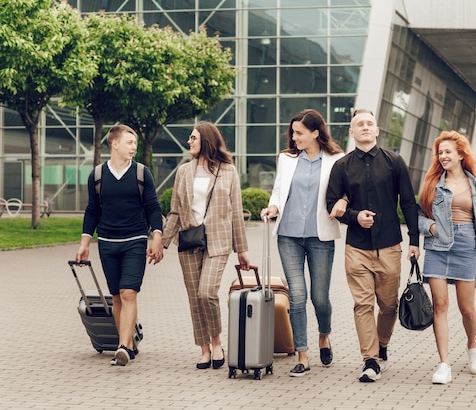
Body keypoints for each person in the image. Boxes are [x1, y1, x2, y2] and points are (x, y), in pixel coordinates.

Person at [326, 108, 419, 383]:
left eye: (370, 123)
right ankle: (370, 360)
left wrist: (415, 240)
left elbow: (409, 202)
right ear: (352, 132)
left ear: (377, 131)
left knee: (388, 305)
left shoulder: (395, 162)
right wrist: (355, 217)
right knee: (362, 305)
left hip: (390, 245)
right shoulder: (341, 166)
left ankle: (383, 345)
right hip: (356, 247)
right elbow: (331, 205)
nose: (365, 127)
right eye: (359, 124)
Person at [260, 109, 346, 377]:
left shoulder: (337, 160)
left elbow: (345, 192)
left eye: (300, 133)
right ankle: (303, 355)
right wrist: (273, 208)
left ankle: (324, 335)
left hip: (321, 236)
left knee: (320, 298)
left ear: (315, 133)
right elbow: (278, 190)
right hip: (288, 235)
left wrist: (344, 203)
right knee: (297, 295)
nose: (294, 137)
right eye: (293, 132)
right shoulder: (286, 159)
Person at [417, 130, 476, 385]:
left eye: (448, 152)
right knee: (440, 305)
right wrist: (429, 228)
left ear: (460, 154)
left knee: (466, 308)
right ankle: (444, 363)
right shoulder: (432, 183)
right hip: (437, 246)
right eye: (440, 152)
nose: (443, 156)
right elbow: (418, 215)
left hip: (466, 246)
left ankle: (472, 345)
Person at [161, 121, 250, 370]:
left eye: (193, 138)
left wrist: (241, 250)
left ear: (207, 140)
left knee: (206, 293)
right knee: (194, 297)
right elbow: (175, 212)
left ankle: (217, 342)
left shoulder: (228, 171)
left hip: (219, 241)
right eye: (189, 138)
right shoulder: (183, 172)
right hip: (189, 240)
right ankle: (204, 349)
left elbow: (235, 212)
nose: (189, 141)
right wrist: (162, 243)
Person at [76, 124, 164, 367]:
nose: (134, 147)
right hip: (107, 242)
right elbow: (92, 210)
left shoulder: (141, 173)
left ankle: (123, 346)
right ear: (114, 144)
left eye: (135, 143)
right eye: (129, 142)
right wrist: (85, 243)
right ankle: (127, 342)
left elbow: (153, 207)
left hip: (135, 241)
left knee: (128, 292)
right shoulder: (96, 176)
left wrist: (157, 236)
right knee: (116, 296)